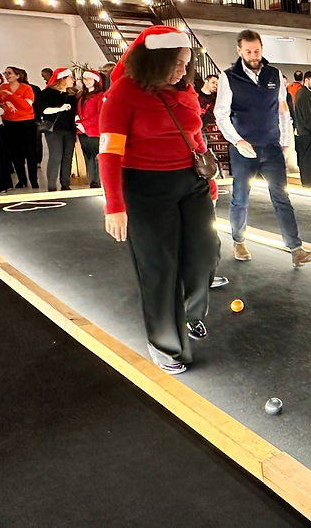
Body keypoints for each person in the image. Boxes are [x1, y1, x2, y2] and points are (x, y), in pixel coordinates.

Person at [97, 26, 220, 374]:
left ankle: (187, 314)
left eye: (187, 63)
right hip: (144, 188)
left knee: (205, 256)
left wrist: (206, 181)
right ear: (155, 60)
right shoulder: (124, 92)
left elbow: (195, 135)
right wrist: (114, 205)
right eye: (178, 63)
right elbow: (108, 153)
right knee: (159, 268)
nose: (184, 71)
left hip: (189, 182)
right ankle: (165, 341)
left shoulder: (185, 91)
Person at [214, 29, 311, 266]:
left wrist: (284, 142)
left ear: (262, 49)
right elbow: (220, 114)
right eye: (249, 51)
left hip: (272, 146)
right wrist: (236, 140)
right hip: (244, 149)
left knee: (282, 197)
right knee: (240, 197)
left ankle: (296, 248)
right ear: (239, 50)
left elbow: (282, 111)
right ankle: (239, 241)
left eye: (257, 50)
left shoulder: (274, 74)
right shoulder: (228, 76)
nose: (253, 55)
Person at [35, 68, 78, 191]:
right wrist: (60, 108)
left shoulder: (71, 95)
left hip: (69, 129)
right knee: (56, 155)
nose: (73, 80)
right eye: (70, 77)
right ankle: (52, 186)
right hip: (54, 130)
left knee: (67, 157)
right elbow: (43, 110)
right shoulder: (47, 93)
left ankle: (65, 184)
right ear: (62, 79)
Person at [0, 66, 38, 188]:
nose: (7, 75)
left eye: (9, 73)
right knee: (15, 153)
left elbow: (26, 105)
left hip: (26, 123)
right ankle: (22, 180)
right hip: (10, 123)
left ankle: (33, 180)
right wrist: (5, 103)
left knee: (30, 153)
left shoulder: (26, 88)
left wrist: (11, 96)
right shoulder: (2, 87)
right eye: (5, 73)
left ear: (17, 75)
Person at [75, 70, 105, 188]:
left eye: (89, 79)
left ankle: (97, 181)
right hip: (82, 132)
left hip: (94, 132)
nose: (86, 81)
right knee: (88, 157)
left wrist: (85, 124)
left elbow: (100, 114)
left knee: (96, 157)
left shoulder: (101, 96)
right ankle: (92, 181)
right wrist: (78, 122)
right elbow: (78, 112)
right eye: (84, 79)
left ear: (96, 81)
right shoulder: (81, 96)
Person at [293, 71, 311, 188]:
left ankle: (308, 183)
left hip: (305, 132)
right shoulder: (304, 95)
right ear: (306, 80)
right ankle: (308, 183)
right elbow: (307, 116)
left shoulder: (303, 93)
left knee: (306, 160)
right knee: (307, 160)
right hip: (307, 134)